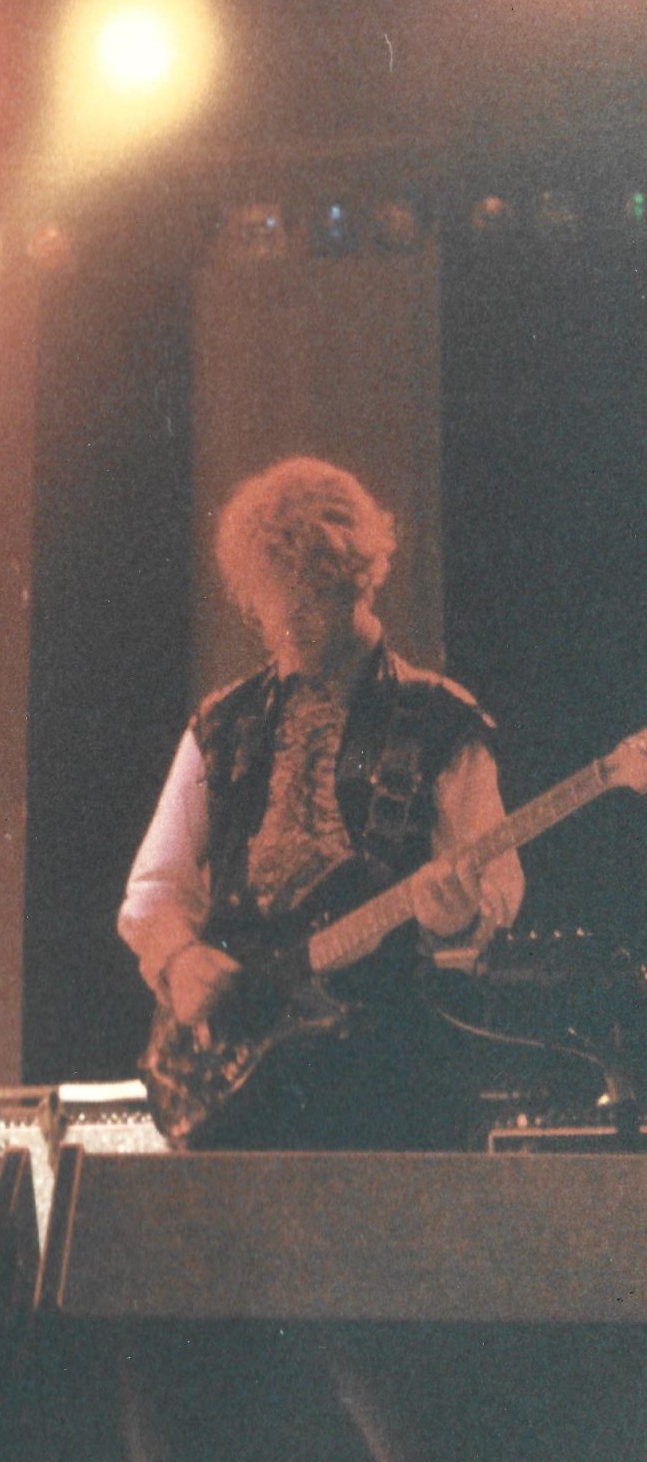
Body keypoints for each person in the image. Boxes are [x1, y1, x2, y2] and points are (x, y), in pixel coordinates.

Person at [118, 455, 525, 1149]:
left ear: (359, 579)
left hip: (388, 1087)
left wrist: (459, 920)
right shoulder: (222, 721)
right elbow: (155, 888)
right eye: (275, 596)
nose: (291, 617)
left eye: (315, 593)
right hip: (238, 1081)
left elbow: (499, 884)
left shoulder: (440, 718)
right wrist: (181, 961)